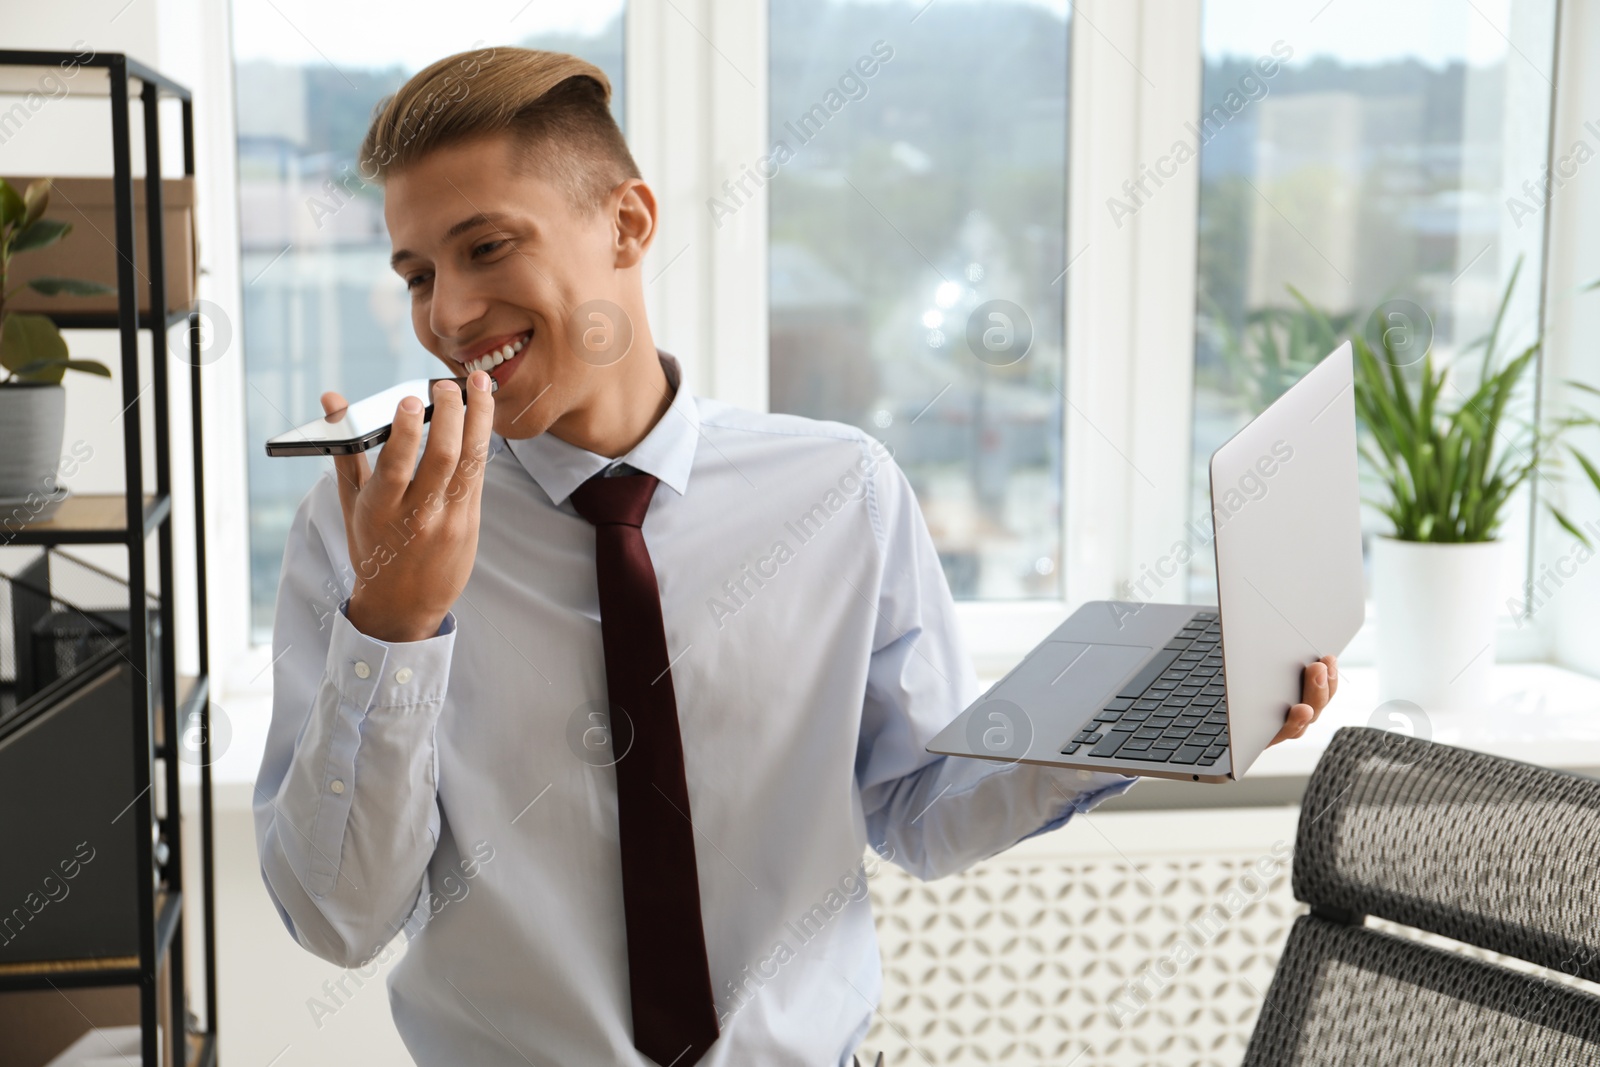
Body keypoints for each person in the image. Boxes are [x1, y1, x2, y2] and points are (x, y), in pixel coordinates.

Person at [253, 46, 1337, 1067]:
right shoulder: (368, 526)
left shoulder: (837, 491)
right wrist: (391, 630)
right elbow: (339, 916)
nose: (447, 312)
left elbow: (917, 804)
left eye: (487, 247)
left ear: (627, 223)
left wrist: (1159, 711)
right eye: (415, 273)